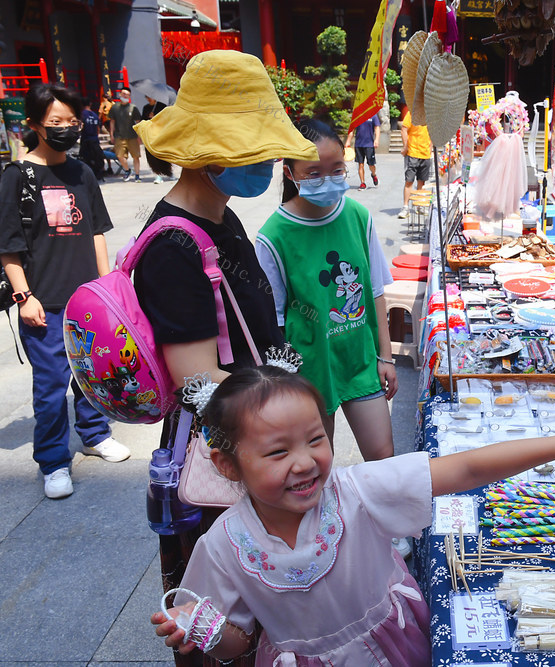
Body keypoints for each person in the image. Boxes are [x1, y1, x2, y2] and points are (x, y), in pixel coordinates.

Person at [151, 365, 555, 664]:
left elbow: (467, 466)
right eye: (278, 453)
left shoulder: (355, 490)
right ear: (228, 463)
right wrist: (203, 629)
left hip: (397, 645)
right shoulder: (224, 547)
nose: (305, 462)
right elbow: (237, 644)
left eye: (317, 439)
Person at [132, 49, 319, 667]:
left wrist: (288, 370)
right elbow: (194, 385)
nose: (269, 164)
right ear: (208, 153)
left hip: (256, 437)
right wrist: (275, 419)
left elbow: (253, 335)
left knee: (265, 609)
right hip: (226, 455)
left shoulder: (224, 218)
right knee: (218, 620)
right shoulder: (175, 246)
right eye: (254, 151)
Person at [0, 83, 130, 499]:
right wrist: (25, 296)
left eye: (72, 121)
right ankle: (54, 460)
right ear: (35, 124)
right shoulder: (19, 176)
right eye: (56, 122)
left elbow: (95, 231)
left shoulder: (82, 172)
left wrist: (107, 288)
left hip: (86, 299)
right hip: (44, 302)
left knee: (92, 375)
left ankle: (94, 434)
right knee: (51, 385)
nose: (66, 129)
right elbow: (8, 245)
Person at [257, 118, 397, 462]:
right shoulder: (273, 236)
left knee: (383, 457)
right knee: (319, 466)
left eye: (337, 169)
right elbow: (273, 320)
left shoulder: (357, 216)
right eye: (314, 172)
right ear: (290, 174)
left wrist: (386, 355)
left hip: (360, 359)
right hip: (310, 370)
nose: (328, 180)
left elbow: (375, 291)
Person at [398, 108, 431, 219]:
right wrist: (406, 147)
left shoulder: (432, 114)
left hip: (425, 153)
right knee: (409, 181)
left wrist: (430, 148)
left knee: (422, 181)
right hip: (413, 152)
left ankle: (419, 205)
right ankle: (406, 207)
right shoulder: (413, 113)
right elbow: (404, 128)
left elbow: (433, 132)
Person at [108, 87, 142, 182]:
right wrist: (111, 134)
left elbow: (138, 122)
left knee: (136, 156)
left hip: (132, 136)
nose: (125, 96)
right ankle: (127, 170)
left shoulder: (133, 108)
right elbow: (112, 121)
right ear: (120, 94)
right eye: (123, 94)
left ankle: (137, 175)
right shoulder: (115, 107)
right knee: (119, 156)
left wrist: (139, 135)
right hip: (119, 136)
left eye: (127, 94)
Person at [344, 113, 380, 190]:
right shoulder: (357, 115)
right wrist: (348, 141)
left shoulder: (373, 115)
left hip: (369, 144)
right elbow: (352, 130)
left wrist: (376, 140)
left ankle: (373, 175)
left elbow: (377, 127)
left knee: (371, 164)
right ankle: (362, 183)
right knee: (360, 164)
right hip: (359, 144)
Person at [141, 96, 172, 185]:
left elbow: (166, 119)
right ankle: (157, 174)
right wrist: (149, 118)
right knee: (153, 154)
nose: (149, 98)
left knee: (164, 153)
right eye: (147, 97)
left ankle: (168, 171)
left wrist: (155, 117)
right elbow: (143, 121)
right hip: (150, 134)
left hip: (161, 133)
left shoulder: (161, 106)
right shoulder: (146, 107)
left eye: (151, 97)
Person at [78, 98, 105, 181]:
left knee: (85, 159)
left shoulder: (81, 115)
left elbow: (80, 127)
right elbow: (98, 128)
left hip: (86, 140)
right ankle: (98, 174)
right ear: (90, 104)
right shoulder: (95, 115)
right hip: (95, 140)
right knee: (97, 158)